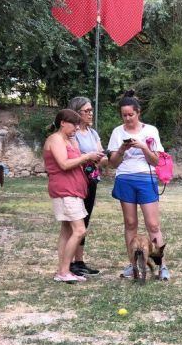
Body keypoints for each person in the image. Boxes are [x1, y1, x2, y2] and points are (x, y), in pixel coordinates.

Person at [107, 90, 170, 280]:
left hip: (145, 179)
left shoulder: (150, 131)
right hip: (125, 178)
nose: (127, 119)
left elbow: (156, 161)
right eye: (124, 115)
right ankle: (132, 264)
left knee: (153, 225)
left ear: (138, 112)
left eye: (130, 115)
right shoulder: (117, 132)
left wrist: (143, 147)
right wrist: (121, 149)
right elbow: (113, 163)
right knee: (130, 224)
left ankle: (162, 266)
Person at [44, 109, 104, 283]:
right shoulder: (55, 139)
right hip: (65, 190)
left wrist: (91, 159)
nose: (77, 128)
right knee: (80, 230)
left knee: (67, 231)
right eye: (74, 125)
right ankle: (64, 272)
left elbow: (76, 162)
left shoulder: (69, 140)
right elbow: (64, 164)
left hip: (74, 190)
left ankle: (63, 270)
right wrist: (86, 156)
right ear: (63, 123)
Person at [66, 96, 108, 276]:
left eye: (91, 110)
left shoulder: (93, 133)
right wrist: (91, 157)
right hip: (76, 181)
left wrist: (97, 158)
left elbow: (102, 157)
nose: (91, 114)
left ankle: (79, 261)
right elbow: (75, 156)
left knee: (85, 219)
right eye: (87, 111)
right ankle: (68, 263)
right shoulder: (72, 133)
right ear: (77, 113)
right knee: (75, 221)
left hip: (91, 180)